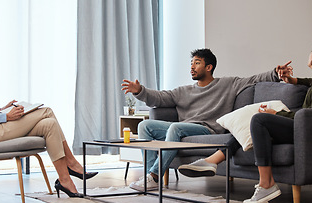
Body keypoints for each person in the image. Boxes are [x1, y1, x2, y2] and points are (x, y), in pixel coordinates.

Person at [178, 40, 312, 203]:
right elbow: (311, 83)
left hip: (303, 130)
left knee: (259, 119)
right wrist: (292, 80)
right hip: (298, 127)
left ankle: (266, 183)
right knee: (248, 126)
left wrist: (277, 113)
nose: (309, 53)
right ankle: (212, 161)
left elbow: (310, 115)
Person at [0, 35, 98, 198]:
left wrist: (0, 110)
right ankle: (72, 163)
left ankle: (65, 180)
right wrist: (6, 117)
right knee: (46, 111)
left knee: (49, 124)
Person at [121, 48, 287, 191]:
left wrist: (275, 72)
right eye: (191, 63)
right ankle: (149, 176)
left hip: (208, 129)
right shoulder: (183, 91)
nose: (192, 67)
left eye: (197, 63)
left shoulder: (228, 84)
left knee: (175, 128)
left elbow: (253, 80)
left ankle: (155, 176)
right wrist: (140, 91)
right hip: (184, 127)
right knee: (145, 125)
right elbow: (160, 98)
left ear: (209, 67)